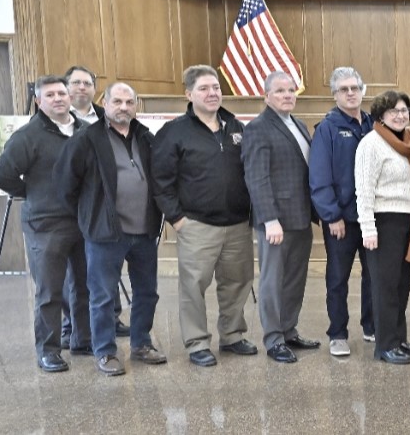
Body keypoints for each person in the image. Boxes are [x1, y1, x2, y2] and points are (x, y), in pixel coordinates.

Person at [150, 65, 258, 367]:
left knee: (237, 282)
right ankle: (197, 342)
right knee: (193, 286)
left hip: (238, 224)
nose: (212, 93)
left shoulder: (236, 127)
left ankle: (232, 335)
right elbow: (161, 180)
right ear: (189, 94)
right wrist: (177, 219)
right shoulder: (174, 132)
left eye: (216, 88)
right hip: (196, 224)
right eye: (204, 88)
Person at [57, 83, 167, 376]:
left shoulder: (145, 137)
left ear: (136, 105)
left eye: (129, 102)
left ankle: (141, 344)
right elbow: (65, 185)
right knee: (103, 296)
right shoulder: (86, 139)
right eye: (117, 101)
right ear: (104, 103)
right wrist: (88, 216)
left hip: (144, 231)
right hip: (105, 233)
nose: (123, 107)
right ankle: (105, 351)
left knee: (147, 292)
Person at [0, 75, 90, 372]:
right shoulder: (27, 136)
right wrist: (30, 193)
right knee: (49, 291)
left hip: (83, 221)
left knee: (84, 285)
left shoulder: (85, 131)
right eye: (50, 95)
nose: (58, 98)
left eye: (62, 93)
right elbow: (0, 176)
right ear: (38, 101)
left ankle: (82, 340)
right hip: (45, 224)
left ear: (69, 97)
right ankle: (48, 350)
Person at [243, 71, 320, 364]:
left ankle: (289, 330)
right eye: (280, 91)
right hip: (276, 222)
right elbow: (257, 178)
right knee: (272, 282)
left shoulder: (297, 124)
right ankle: (273, 339)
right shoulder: (258, 128)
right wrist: (269, 219)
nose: (287, 95)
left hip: (300, 216)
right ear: (266, 97)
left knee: (295, 279)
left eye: (291, 90)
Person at [355, 90, 410, 365]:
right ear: (381, 116)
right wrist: (368, 229)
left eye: (404, 110)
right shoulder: (370, 144)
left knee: (401, 285)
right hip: (383, 222)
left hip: (409, 221)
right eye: (393, 111)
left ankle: (399, 338)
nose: (400, 115)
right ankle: (385, 345)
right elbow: (364, 190)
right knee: (385, 287)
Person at [309, 67, 374, 357]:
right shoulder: (327, 128)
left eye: (355, 88)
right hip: (341, 220)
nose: (350, 93)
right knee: (337, 279)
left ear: (362, 91)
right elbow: (319, 175)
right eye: (344, 89)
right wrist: (331, 215)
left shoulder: (373, 124)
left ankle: (372, 327)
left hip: (371, 218)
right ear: (334, 95)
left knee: (374, 276)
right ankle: (337, 334)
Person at [62, 65, 126, 342]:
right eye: (76, 82)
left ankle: (112, 318)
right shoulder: (55, 118)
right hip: (70, 210)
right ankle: (71, 326)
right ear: (66, 88)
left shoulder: (106, 117)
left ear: (95, 90)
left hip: (103, 210)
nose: (82, 87)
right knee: (73, 272)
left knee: (106, 268)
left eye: (87, 83)